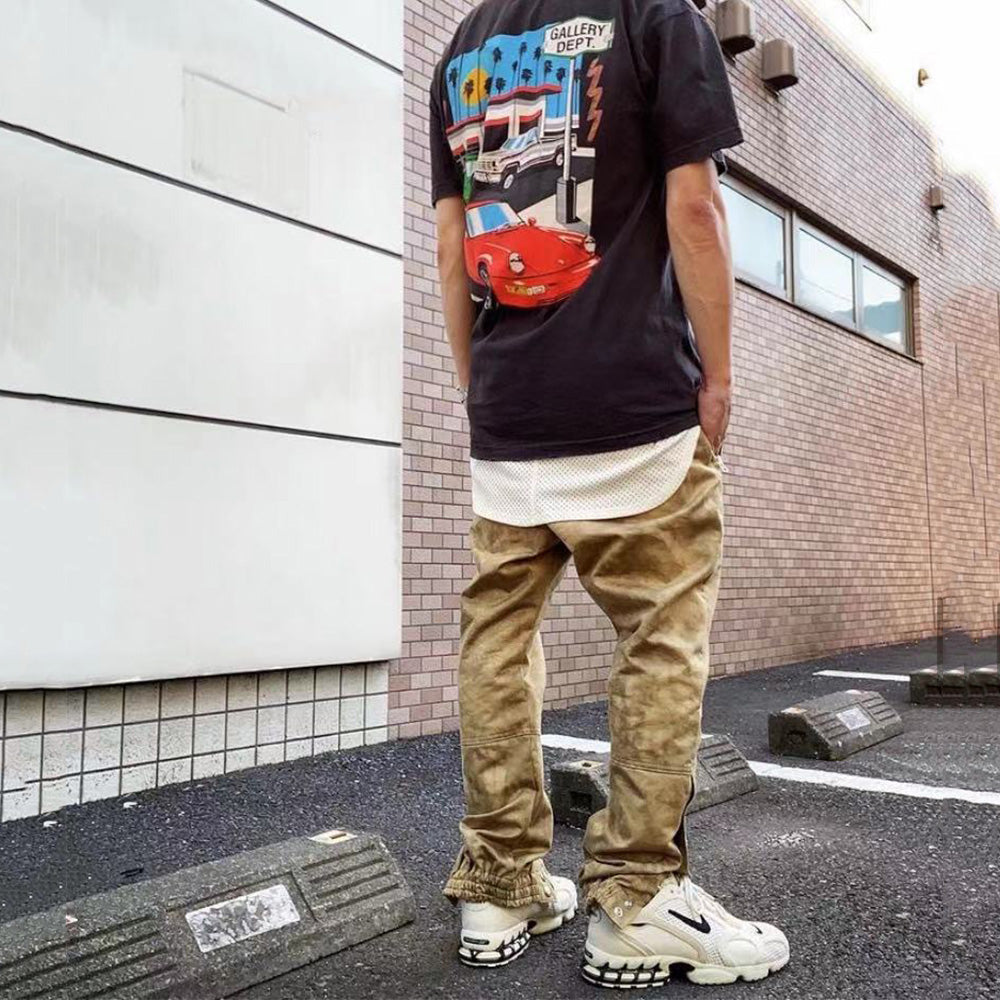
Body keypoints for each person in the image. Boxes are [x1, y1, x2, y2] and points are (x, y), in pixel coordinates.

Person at [429, 0, 790, 987]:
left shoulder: (464, 45)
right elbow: (695, 210)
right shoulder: (656, 16)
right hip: (636, 403)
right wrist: (718, 378)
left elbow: (454, 247)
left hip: (509, 413)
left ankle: (500, 882)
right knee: (660, 637)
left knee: (497, 640)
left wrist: (478, 389)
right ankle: (635, 896)